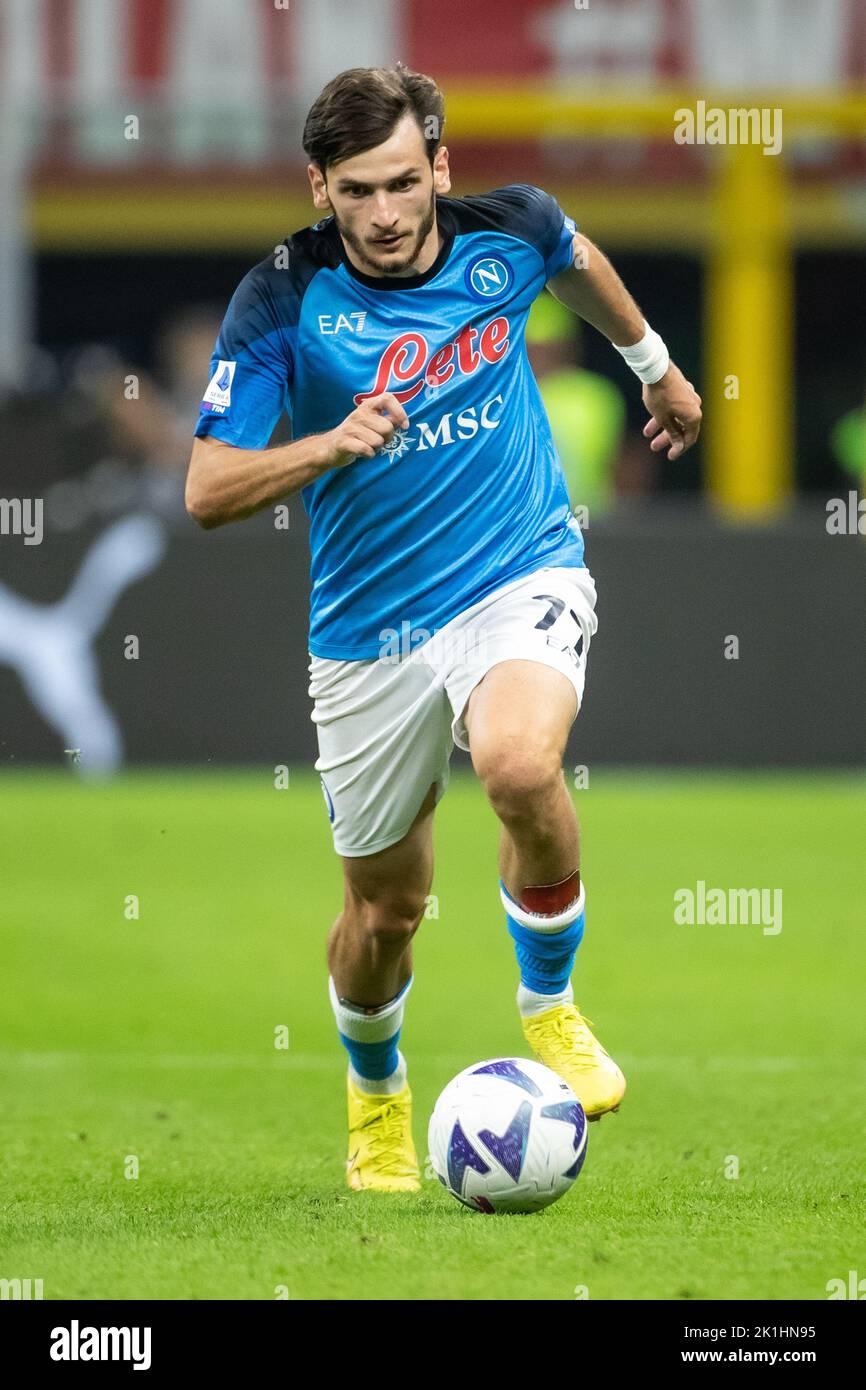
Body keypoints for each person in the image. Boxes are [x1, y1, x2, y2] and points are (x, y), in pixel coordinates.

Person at [185, 64, 702, 1193]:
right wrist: (325, 444)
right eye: (357, 190)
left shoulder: (507, 229)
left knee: (520, 763)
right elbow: (207, 490)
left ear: (440, 169)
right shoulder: (281, 297)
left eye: (403, 183)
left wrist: (655, 368)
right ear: (319, 187)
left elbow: (576, 262)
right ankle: (375, 1094)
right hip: (366, 627)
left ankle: (548, 1001)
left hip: (516, 570)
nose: (383, 213)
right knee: (384, 914)